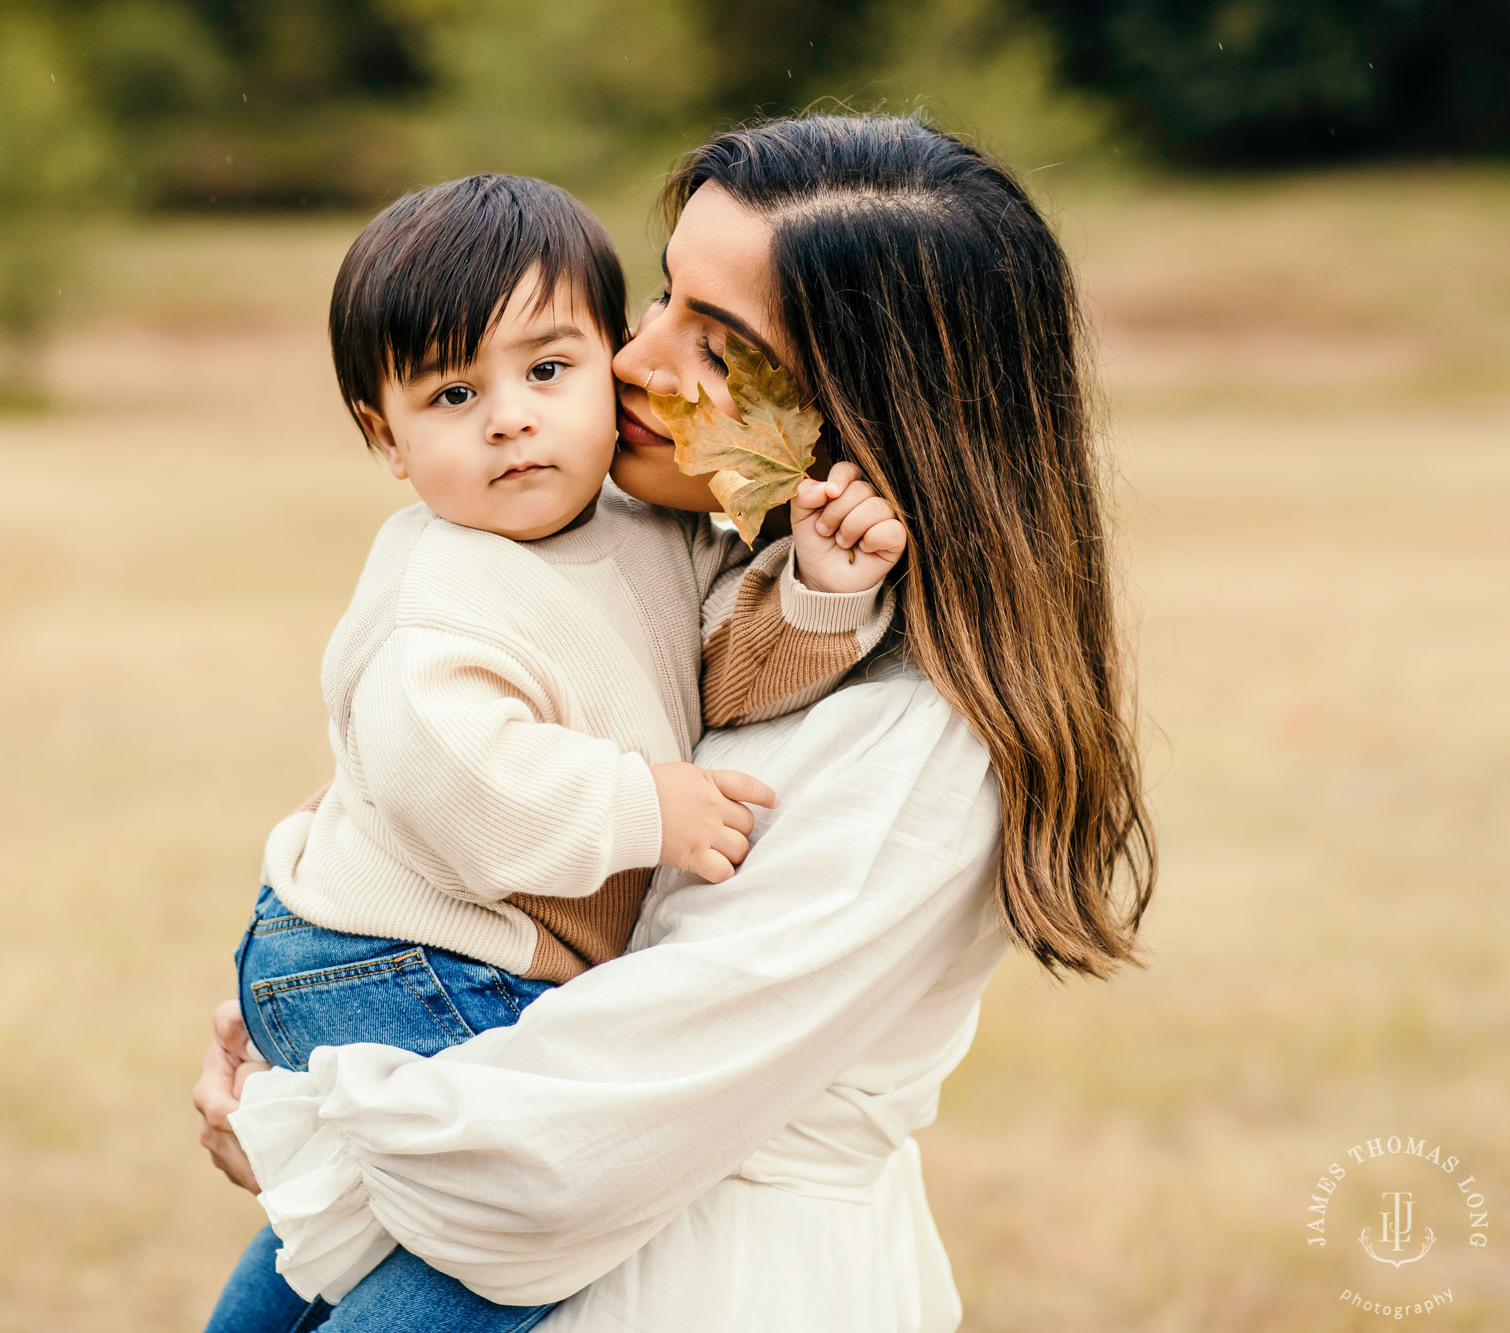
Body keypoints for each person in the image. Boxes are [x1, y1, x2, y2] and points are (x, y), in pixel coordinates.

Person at [195, 113, 1156, 1332]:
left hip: (702, 1277)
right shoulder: (578, 557)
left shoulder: (914, 739)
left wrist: (315, 1123)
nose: (631, 356)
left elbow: (577, 1137)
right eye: (657, 298)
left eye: (720, 341)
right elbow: (437, 776)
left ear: (864, 403)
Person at [205, 172, 908, 1333]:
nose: (508, 418)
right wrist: (642, 808)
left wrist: (823, 595)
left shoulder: (649, 532)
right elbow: (460, 785)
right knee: (513, 1225)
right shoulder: (438, 588)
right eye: (450, 393)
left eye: (545, 370)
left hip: (449, 955)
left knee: (360, 1215)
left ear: (608, 362)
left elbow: (728, 670)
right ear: (384, 438)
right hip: (399, 953)